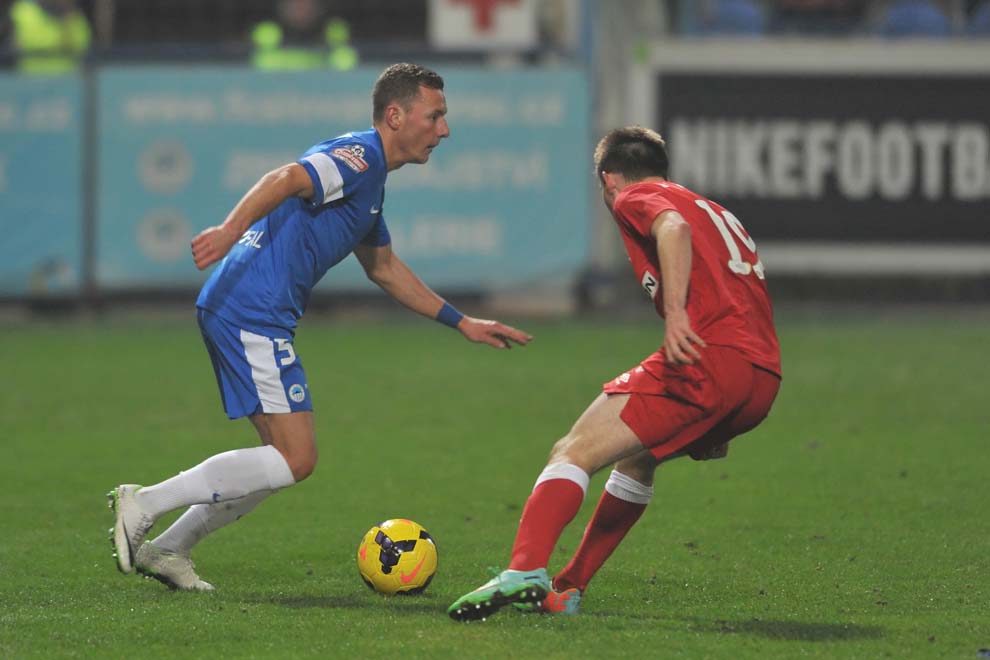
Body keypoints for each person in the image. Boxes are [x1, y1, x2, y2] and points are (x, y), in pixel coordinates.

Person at [108, 63, 532, 591]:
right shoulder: (360, 156)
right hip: (251, 311)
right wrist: (230, 230)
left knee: (277, 461)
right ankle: (145, 502)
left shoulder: (371, 185)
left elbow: (384, 269)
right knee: (295, 458)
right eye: (435, 116)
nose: (444, 130)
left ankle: (170, 548)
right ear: (395, 116)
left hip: (248, 310)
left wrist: (461, 321)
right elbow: (287, 177)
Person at [448, 126, 782, 621]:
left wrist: (676, 313)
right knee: (637, 460)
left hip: (708, 359)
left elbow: (673, 229)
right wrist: (727, 407)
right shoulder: (713, 210)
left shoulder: (634, 196)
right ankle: (567, 589)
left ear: (607, 179)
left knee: (573, 450)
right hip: (761, 377)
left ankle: (523, 571)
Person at [8, 0, 90, 75]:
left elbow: (84, 53)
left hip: (70, 82)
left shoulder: (79, 18)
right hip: (30, 81)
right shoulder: (22, 12)